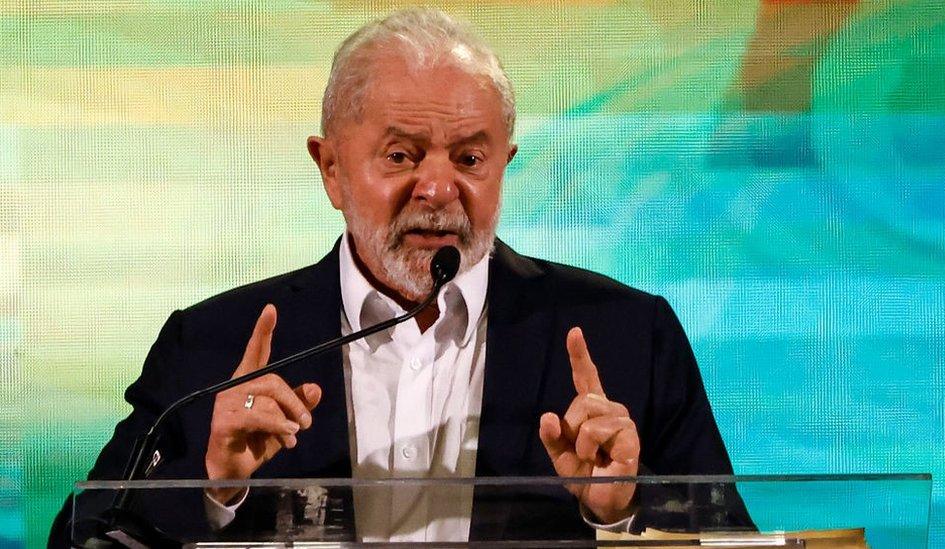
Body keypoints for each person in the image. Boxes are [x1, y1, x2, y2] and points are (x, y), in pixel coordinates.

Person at [51, 8, 748, 546]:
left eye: (470, 160)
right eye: (400, 154)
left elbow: (733, 539)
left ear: (504, 163)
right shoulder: (210, 347)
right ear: (330, 168)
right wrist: (212, 487)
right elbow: (80, 537)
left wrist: (624, 511)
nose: (438, 188)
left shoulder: (627, 335)